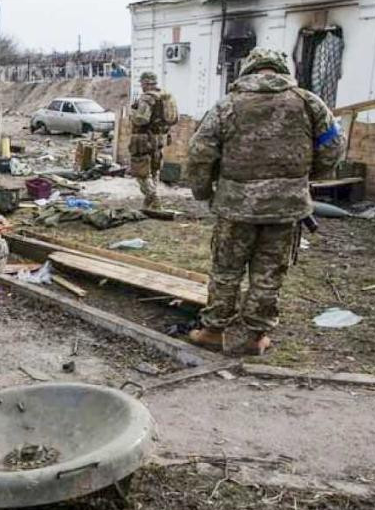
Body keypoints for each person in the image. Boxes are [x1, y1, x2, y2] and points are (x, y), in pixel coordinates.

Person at [185, 47, 346, 355]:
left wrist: (203, 191)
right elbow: (333, 146)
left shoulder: (227, 105)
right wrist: (309, 177)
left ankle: (213, 332)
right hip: (285, 208)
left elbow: (200, 153)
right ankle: (255, 337)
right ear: (282, 69)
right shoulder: (309, 103)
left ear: (249, 69)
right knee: (269, 273)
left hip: (235, 206)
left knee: (226, 270)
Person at [129, 71, 178, 211]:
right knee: (155, 169)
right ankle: (148, 203)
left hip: (144, 138)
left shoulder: (147, 98)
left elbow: (141, 119)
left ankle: (155, 199)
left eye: (142, 84)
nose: (142, 86)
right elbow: (174, 119)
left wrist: (132, 112)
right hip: (160, 138)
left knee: (140, 171)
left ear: (145, 83)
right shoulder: (167, 96)